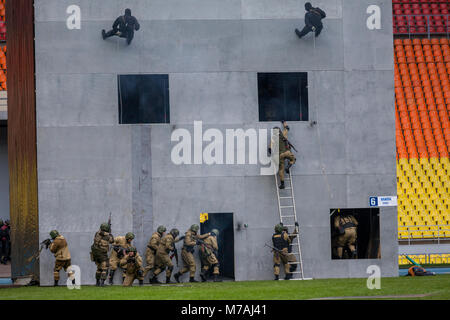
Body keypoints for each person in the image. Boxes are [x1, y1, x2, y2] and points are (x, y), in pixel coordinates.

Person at [269, 122, 296, 189]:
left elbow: (269, 149)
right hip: (287, 152)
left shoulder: (273, 139)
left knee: (281, 169)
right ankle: (289, 165)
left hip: (279, 155)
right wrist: (284, 122)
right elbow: (287, 128)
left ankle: (282, 184)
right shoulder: (283, 134)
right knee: (293, 159)